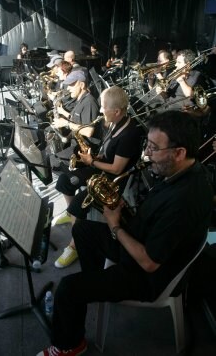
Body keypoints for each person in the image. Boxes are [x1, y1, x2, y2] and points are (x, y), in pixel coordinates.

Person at [36, 110, 214, 356]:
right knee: (83, 228)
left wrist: (115, 224)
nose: (147, 154)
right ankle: (93, 286)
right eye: (147, 145)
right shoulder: (184, 172)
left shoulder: (184, 201)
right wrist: (122, 211)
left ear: (179, 153)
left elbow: (149, 262)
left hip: (146, 276)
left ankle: (69, 346)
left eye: (153, 147)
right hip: (141, 243)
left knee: (67, 288)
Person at [53, 85, 145, 268]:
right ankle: (73, 216)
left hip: (115, 180)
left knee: (79, 204)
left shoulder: (130, 134)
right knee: (65, 180)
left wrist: (91, 162)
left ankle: (74, 244)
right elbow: (108, 153)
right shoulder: (115, 123)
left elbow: (117, 169)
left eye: (104, 107)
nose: (100, 110)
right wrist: (94, 156)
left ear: (117, 111)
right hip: (103, 170)